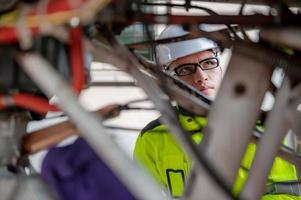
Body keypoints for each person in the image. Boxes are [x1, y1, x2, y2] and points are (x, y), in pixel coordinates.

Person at [134, 25, 301, 199]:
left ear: (221, 68)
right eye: (185, 69)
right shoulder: (152, 138)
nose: (201, 76)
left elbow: (286, 196)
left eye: (208, 63)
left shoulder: (262, 129)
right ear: (168, 79)